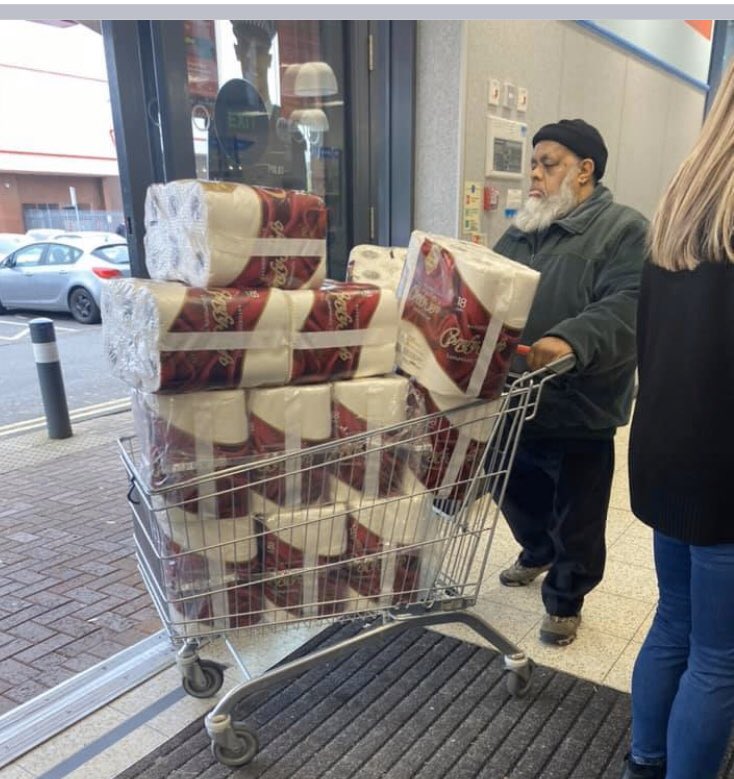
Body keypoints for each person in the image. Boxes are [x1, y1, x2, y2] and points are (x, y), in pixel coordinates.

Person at [490, 119, 648, 646]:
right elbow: (489, 286)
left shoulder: (624, 229)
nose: (534, 175)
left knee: (576, 514)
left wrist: (570, 338)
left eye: (548, 164)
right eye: (533, 165)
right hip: (515, 397)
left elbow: (629, 302)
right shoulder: (522, 229)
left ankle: (565, 597)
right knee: (510, 486)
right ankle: (537, 550)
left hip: (581, 401)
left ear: (584, 170)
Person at [620, 61, 734, 779]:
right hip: (725, 468)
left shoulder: (683, 202)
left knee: (673, 622)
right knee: (719, 658)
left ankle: (644, 762)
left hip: (666, 449)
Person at [207, 20, 307, 189]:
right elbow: (216, 193)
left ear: (269, 59)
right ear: (237, 51)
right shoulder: (220, 126)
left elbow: (300, 198)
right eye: (246, 47)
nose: (251, 58)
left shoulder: (290, 130)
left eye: (259, 50)